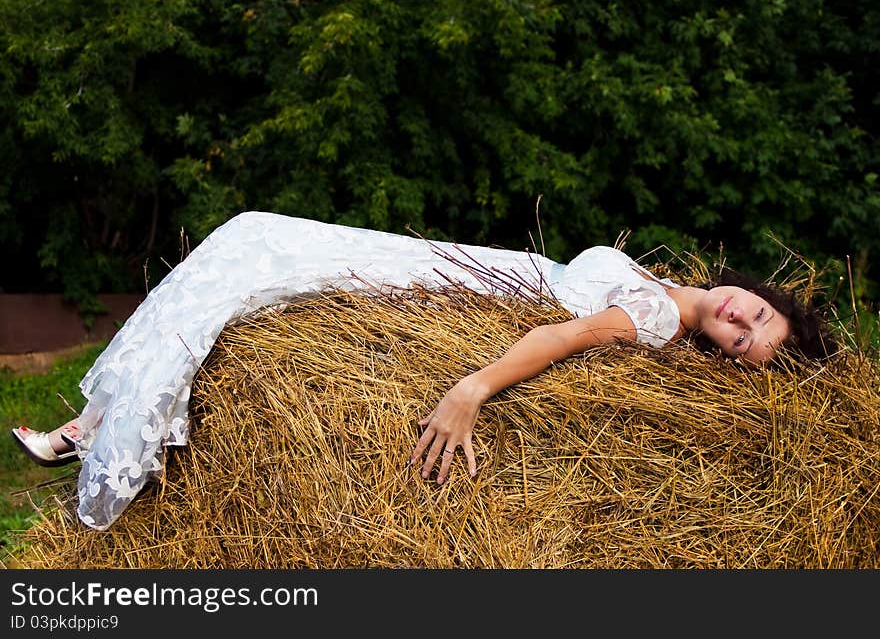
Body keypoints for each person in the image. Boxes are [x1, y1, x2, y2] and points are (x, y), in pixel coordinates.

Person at [10, 211, 836, 530]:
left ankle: (106, 433)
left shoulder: (654, 315)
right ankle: (101, 425)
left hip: (470, 284)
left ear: (722, 358)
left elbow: (563, 333)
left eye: (742, 344)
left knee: (250, 246)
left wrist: (471, 387)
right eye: (757, 315)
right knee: (245, 247)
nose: (739, 321)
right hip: (483, 267)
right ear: (758, 294)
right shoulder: (671, 287)